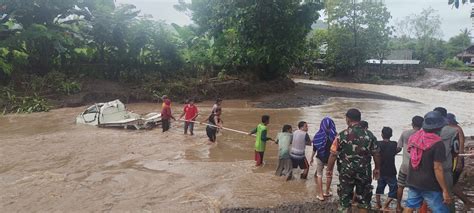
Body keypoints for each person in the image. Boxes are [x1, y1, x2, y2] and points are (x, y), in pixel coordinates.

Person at [327, 108, 381, 213]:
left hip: (346, 172)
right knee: (364, 201)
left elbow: (333, 155)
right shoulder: (369, 135)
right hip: (364, 172)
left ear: (348, 119)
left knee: (345, 201)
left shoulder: (341, 135)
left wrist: (329, 169)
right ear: (359, 119)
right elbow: (376, 153)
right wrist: (377, 168)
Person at [404, 111, 452, 213]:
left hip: (413, 180)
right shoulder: (438, 143)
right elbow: (438, 168)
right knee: (441, 210)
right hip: (429, 184)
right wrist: (445, 190)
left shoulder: (414, 137)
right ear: (439, 127)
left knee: (410, 206)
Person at [396, 115, 424, 212]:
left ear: (412, 124)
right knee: (417, 189)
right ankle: (417, 208)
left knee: (400, 186)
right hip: (417, 168)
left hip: (404, 166)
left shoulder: (405, 134)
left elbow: (398, 148)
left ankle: (398, 206)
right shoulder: (423, 136)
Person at [433, 107, 458, 211]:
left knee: (431, 197)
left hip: (430, 169)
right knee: (448, 197)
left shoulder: (427, 130)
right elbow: (455, 152)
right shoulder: (453, 131)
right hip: (446, 169)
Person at [310, 116, 337, 201]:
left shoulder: (318, 134)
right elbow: (338, 148)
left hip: (320, 157)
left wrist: (311, 157)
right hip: (330, 158)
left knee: (319, 175)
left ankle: (321, 195)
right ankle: (327, 192)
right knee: (329, 174)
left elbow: (315, 148)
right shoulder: (335, 135)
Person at [375, 127, 399, 210]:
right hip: (391, 171)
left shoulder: (378, 143)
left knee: (379, 187)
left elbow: (375, 152)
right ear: (391, 135)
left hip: (380, 170)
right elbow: (397, 150)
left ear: (381, 134)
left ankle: (378, 205)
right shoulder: (394, 144)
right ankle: (385, 205)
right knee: (394, 189)